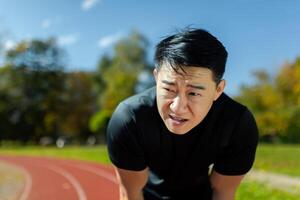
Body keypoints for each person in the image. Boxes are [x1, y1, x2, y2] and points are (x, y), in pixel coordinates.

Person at [106, 28, 259, 200]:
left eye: (193, 93)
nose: (177, 108)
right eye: (169, 89)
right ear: (156, 78)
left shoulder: (237, 124)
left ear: (218, 90)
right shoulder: (129, 119)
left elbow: (223, 193)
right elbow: (131, 193)